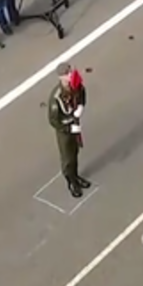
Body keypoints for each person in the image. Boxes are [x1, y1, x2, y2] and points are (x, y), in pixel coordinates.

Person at [48, 64, 91, 196]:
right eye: (67, 74)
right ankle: (71, 182)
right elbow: (54, 121)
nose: (70, 74)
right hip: (64, 130)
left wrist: (81, 106)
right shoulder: (56, 98)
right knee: (68, 158)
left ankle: (76, 176)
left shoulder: (75, 84)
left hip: (74, 122)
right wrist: (69, 128)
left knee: (75, 151)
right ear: (61, 77)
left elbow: (82, 92)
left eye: (70, 71)